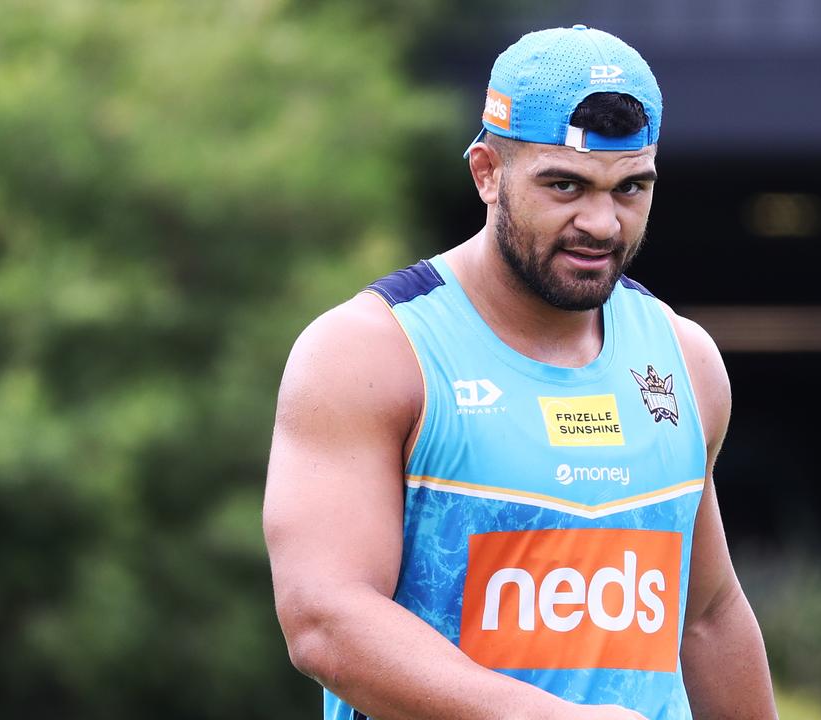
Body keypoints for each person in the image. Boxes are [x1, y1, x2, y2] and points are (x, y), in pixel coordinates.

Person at [264, 24, 778, 720]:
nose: (601, 222)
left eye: (631, 188)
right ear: (486, 173)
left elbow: (707, 616)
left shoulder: (683, 360)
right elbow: (325, 621)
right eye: (564, 185)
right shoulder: (372, 352)